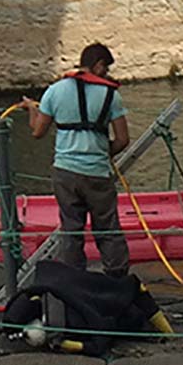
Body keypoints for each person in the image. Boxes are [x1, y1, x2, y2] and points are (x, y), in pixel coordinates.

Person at [18, 43, 132, 277]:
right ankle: (117, 277)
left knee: (71, 229)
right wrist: (101, 152)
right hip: (98, 173)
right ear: (99, 65)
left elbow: (38, 132)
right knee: (108, 228)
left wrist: (31, 108)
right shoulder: (111, 95)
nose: (108, 74)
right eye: (106, 68)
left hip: (65, 172)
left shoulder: (55, 91)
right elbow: (123, 140)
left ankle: (73, 278)